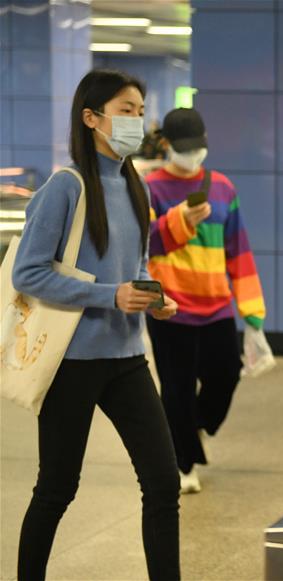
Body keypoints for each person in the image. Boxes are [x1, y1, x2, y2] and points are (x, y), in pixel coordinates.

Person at [11, 69, 181, 580]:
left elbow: (135, 268)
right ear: (91, 118)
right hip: (72, 362)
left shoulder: (137, 186)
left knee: (162, 482)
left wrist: (151, 297)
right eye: (125, 110)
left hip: (127, 358)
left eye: (140, 111)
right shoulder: (66, 188)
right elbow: (29, 271)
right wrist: (110, 295)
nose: (136, 120)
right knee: (57, 488)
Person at [145, 107, 267, 494]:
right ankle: (181, 464)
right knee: (176, 388)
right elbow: (142, 243)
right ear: (166, 145)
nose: (192, 154)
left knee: (226, 375)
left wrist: (252, 314)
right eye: (184, 148)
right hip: (170, 308)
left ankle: (188, 429)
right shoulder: (150, 188)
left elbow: (240, 252)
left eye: (198, 147)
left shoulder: (222, 187)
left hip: (216, 306)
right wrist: (180, 220)